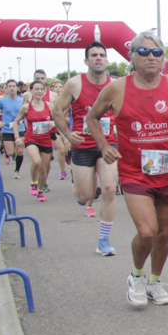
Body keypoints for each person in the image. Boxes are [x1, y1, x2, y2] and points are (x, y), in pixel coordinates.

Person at [85, 30, 168, 306]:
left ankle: (155, 281)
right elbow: (92, 118)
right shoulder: (117, 88)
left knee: (163, 233)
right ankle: (136, 276)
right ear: (132, 57)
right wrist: (104, 146)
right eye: (144, 52)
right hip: (135, 173)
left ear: (163, 59)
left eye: (157, 52)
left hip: (166, 171)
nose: (151, 57)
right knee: (147, 231)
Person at [52, 42, 121, 253]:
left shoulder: (115, 85)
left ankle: (103, 241)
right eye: (94, 55)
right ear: (86, 61)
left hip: (107, 145)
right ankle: (77, 189)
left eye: (102, 55)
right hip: (82, 145)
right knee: (84, 196)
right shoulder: (74, 84)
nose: (98, 58)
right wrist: (67, 133)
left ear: (107, 60)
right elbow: (57, 111)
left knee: (109, 188)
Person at [12, 80, 54, 201]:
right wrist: (16, 137)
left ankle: (40, 191)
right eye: (36, 89)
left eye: (41, 89)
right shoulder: (26, 107)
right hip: (31, 138)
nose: (39, 91)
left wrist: (53, 123)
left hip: (45, 140)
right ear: (31, 91)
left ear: (45, 91)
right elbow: (15, 123)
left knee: (43, 169)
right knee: (36, 162)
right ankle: (33, 183)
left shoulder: (49, 106)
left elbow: (58, 121)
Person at [0, 80, 24, 176]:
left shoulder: (21, 100)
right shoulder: (2, 100)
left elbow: (25, 114)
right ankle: (12, 156)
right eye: (9, 86)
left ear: (17, 88)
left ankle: (16, 171)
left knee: (19, 149)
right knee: (10, 152)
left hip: (20, 128)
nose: (12, 88)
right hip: (7, 128)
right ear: (6, 88)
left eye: (13, 86)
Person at [49, 79, 70, 182]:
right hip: (56, 128)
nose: (58, 89)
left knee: (68, 150)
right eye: (55, 87)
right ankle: (63, 171)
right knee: (61, 149)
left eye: (60, 87)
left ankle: (68, 157)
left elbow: (65, 116)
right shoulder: (51, 102)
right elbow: (57, 118)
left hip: (68, 127)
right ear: (52, 89)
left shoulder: (68, 100)